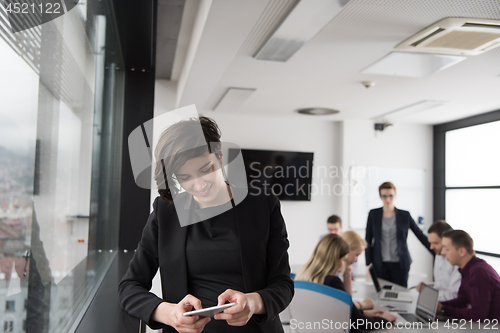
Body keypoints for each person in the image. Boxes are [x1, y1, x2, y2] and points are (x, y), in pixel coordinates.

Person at [118, 116, 294, 333]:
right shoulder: (166, 213)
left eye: (205, 169)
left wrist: (252, 302)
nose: (199, 185)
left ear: (219, 156)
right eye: (185, 177)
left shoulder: (263, 205)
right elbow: (129, 287)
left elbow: (283, 284)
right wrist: (169, 313)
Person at [296, 234, 396, 333]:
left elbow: (335, 311)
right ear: (335, 258)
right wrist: (384, 319)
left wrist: (362, 312)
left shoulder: (301, 277)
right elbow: (360, 323)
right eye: (343, 259)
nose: (343, 264)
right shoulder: (332, 282)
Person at [365, 181, 433, 287]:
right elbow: (368, 239)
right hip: (380, 264)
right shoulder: (373, 214)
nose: (388, 199)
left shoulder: (404, 215)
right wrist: (367, 263)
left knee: (401, 294)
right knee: (383, 295)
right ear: (380, 197)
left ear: (395, 196)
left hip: (400, 264)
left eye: (391, 196)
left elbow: (419, 234)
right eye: (384, 196)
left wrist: (436, 251)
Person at [437, 230, 500, 321]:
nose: (442, 252)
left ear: (461, 251)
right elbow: (462, 300)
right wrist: (438, 305)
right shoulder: (468, 269)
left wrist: (443, 309)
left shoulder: (478, 273)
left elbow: (478, 315)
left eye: (447, 249)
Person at [416, 221, 461, 302]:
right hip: (438, 303)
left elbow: (454, 295)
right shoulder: (438, 255)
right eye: (430, 243)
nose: (431, 247)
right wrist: (426, 287)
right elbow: (439, 285)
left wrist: (427, 293)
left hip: (449, 306)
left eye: (435, 243)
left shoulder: (457, 261)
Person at [340, 231, 374, 309]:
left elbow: (348, 299)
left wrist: (347, 271)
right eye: (356, 255)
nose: (356, 260)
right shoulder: (334, 274)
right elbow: (345, 306)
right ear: (347, 249)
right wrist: (363, 305)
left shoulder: (343, 270)